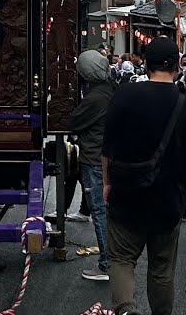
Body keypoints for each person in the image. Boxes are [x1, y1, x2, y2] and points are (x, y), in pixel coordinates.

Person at [102, 37, 186, 315]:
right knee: (161, 267)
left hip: (127, 192)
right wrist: (184, 192)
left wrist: (106, 182)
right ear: (176, 66)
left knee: (121, 258)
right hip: (168, 195)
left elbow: (107, 148)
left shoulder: (124, 95)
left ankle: (126, 309)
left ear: (145, 64)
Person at [70, 48, 117, 282]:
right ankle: (116, 259)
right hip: (108, 154)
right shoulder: (110, 89)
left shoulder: (95, 98)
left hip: (95, 156)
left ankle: (107, 264)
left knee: (99, 210)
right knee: (109, 211)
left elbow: (75, 122)